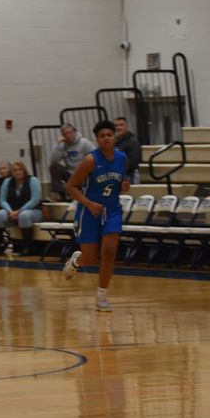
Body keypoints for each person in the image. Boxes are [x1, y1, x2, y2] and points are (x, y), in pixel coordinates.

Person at [62, 120, 130, 311]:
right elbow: (70, 186)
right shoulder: (91, 160)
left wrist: (125, 186)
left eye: (109, 135)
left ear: (114, 136)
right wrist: (89, 204)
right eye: (102, 136)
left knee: (109, 252)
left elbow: (120, 182)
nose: (106, 138)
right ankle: (76, 260)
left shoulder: (122, 158)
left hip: (112, 210)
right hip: (90, 211)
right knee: (89, 259)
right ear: (98, 139)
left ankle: (102, 296)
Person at [0, 161, 43, 256]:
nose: (17, 172)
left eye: (19, 169)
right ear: (11, 172)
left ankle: (27, 247)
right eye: (15, 170)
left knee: (24, 216)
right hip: (12, 211)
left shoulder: (33, 180)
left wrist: (19, 211)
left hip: (34, 211)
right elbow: (2, 200)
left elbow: (35, 200)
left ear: (24, 170)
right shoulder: (7, 182)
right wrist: (10, 211)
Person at [48, 123, 94, 201]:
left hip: (84, 174)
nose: (68, 135)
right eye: (65, 134)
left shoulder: (84, 143)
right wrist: (57, 144)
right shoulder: (62, 145)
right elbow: (53, 160)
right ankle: (58, 194)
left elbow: (96, 156)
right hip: (70, 174)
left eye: (69, 132)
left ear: (74, 132)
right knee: (54, 166)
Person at [114, 117, 142, 184]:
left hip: (128, 175)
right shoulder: (115, 140)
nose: (118, 127)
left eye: (121, 125)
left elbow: (133, 162)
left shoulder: (132, 141)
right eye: (116, 125)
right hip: (117, 174)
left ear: (126, 126)